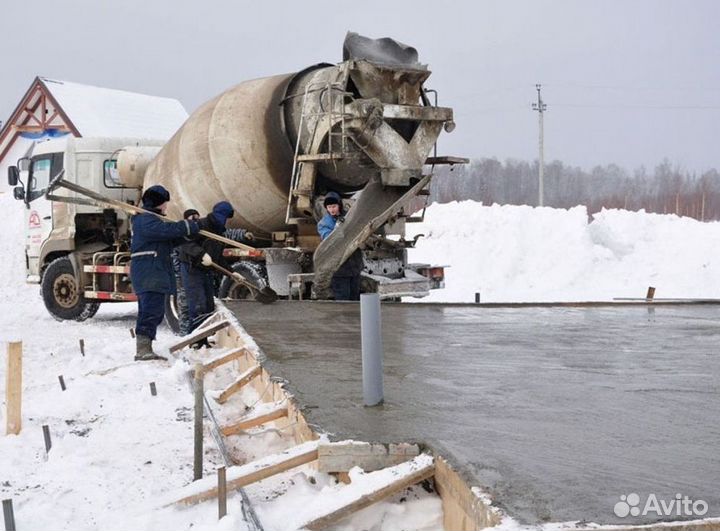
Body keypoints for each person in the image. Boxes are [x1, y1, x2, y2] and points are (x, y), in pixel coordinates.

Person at [130, 185, 199, 361]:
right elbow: (167, 231)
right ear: (158, 203)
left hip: (152, 271)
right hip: (149, 273)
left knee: (152, 310)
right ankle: (143, 350)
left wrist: (191, 230)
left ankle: (144, 348)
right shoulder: (146, 220)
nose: (166, 207)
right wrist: (186, 226)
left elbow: (170, 238)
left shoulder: (150, 221)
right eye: (165, 203)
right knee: (151, 311)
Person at [177, 201, 249, 334]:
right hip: (191, 269)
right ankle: (196, 340)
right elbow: (184, 242)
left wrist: (232, 273)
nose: (225, 221)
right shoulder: (200, 225)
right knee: (198, 305)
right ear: (218, 215)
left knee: (209, 305)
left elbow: (218, 259)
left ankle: (204, 338)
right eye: (224, 217)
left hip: (205, 271)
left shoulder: (219, 232)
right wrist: (201, 254)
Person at [317, 191, 364, 301]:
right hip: (339, 270)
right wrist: (338, 228)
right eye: (329, 207)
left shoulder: (349, 216)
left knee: (355, 298)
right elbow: (328, 239)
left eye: (334, 206)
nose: (332, 209)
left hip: (354, 267)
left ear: (339, 205)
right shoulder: (324, 223)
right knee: (343, 300)